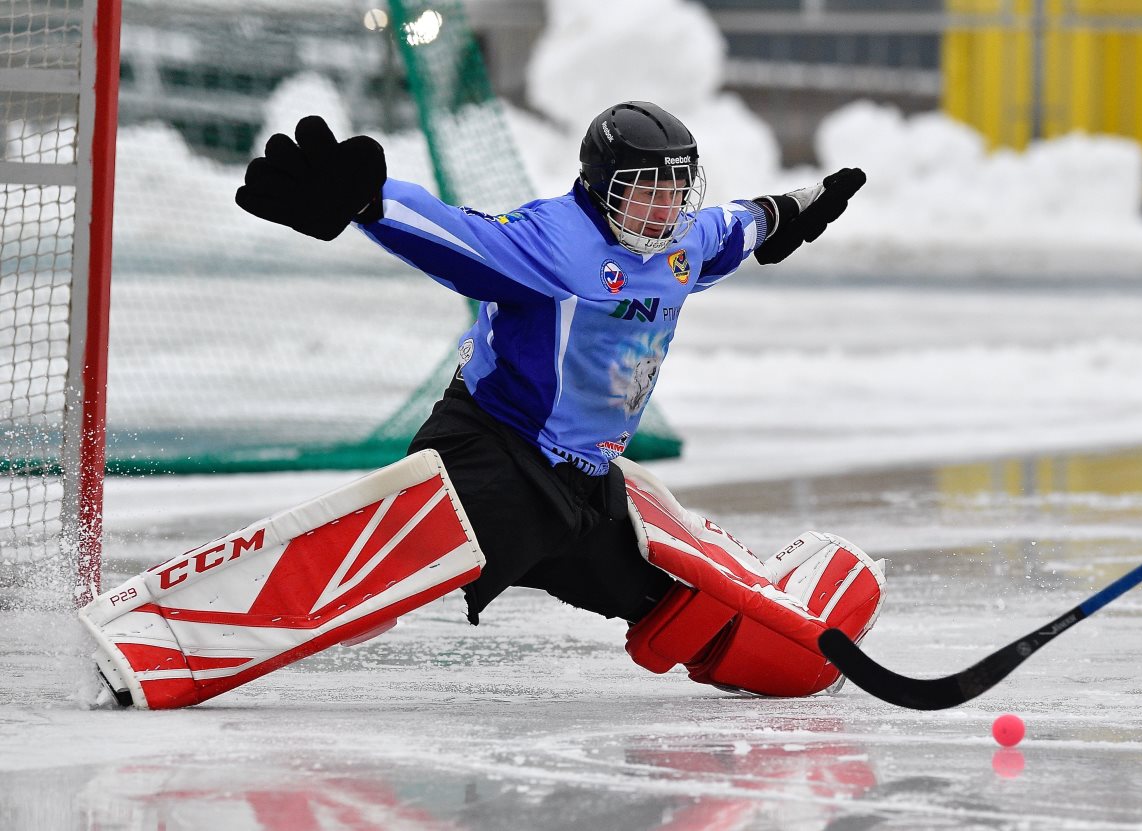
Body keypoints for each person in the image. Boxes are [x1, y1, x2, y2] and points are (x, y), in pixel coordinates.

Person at [81, 101, 887, 710]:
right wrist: (365, 202)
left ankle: (795, 649)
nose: (666, 204)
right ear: (606, 190)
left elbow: (741, 227)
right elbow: (456, 235)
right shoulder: (555, 242)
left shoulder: (682, 242)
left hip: (587, 487)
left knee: (678, 604)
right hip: (495, 456)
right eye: (648, 188)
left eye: (679, 184)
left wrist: (799, 207)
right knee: (359, 579)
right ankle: (154, 642)